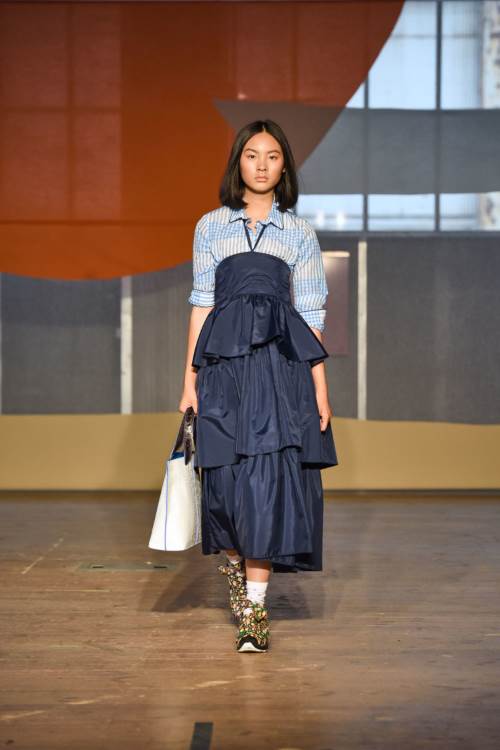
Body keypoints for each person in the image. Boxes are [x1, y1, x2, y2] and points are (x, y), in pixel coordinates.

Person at [179, 119, 338, 653]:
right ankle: (236, 575)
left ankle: (254, 613)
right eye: (252, 155)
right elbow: (201, 305)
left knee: (266, 486)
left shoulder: (299, 233)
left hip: (277, 375)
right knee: (224, 486)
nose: (263, 164)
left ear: (284, 166)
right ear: (238, 163)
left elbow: (311, 313)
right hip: (223, 375)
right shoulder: (210, 226)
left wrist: (319, 388)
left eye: (273, 156)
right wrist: (189, 382)